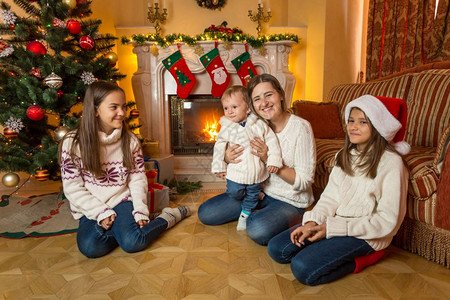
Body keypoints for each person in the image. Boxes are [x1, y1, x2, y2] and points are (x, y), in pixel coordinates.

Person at [267, 95, 410, 286]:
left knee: (302, 268)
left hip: (366, 234)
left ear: (378, 126)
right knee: (277, 248)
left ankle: (366, 257)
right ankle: (325, 243)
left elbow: (387, 222)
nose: (353, 126)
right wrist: (311, 222)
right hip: (336, 224)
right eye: (351, 120)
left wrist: (330, 230)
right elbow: (330, 198)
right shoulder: (344, 155)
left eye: (362, 122)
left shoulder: (392, 163)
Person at [58, 81, 190, 258]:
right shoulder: (73, 143)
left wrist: (140, 210)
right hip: (92, 204)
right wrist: (100, 213)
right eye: (114, 107)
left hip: (122, 200)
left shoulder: (130, 141)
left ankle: (167, 217)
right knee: (90, 248)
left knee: (132, 243)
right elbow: (72, 188)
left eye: (123, 107)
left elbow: (137, 179)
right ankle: (127, 231)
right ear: (95, 110)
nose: (122, 113)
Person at [198, 74, 316, 245]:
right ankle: (256, 211)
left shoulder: (301, 127)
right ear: (251, 105)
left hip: (290, 200)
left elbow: (304, 182)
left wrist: (269, 159)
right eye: (257, 99)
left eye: (269, 95)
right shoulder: (256, 123)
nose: (264, 103)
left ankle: (291, 218)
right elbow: (230, 142)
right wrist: (226, 157)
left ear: (281, 95)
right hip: (258, 191)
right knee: (206, 213)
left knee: (257, 228)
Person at [212, 85, 282, 231]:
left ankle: (245, 214)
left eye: (234, 107)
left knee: (252, 194)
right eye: (226, 108)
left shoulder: (259, 125)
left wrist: (274, 160)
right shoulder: (227, 127)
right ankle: (254, 197)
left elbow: (272, 141)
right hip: (237, 172)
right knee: (233, 192)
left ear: (248, 108)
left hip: (256, 173)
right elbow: (219, 146)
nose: (229, 111)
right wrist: (219, 164)